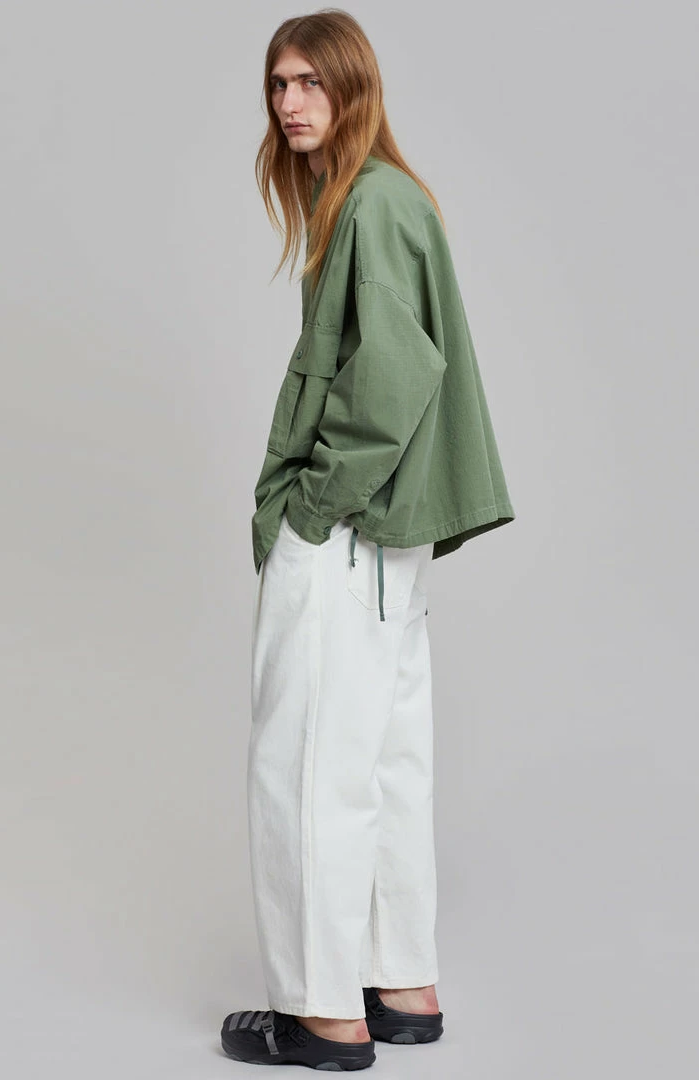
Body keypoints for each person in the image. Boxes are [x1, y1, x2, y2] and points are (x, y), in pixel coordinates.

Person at [221, 9, 515, 1071]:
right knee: (383, 763)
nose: (290, 102)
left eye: (310, 82)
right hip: (389, 543)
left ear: (353, 89)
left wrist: (312, 504)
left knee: (305, 768)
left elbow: (393, 374)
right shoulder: (381, 197)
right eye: (278, 84)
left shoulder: (372, 204)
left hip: (346, 528)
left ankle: (320, 1015)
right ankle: (401, 986)